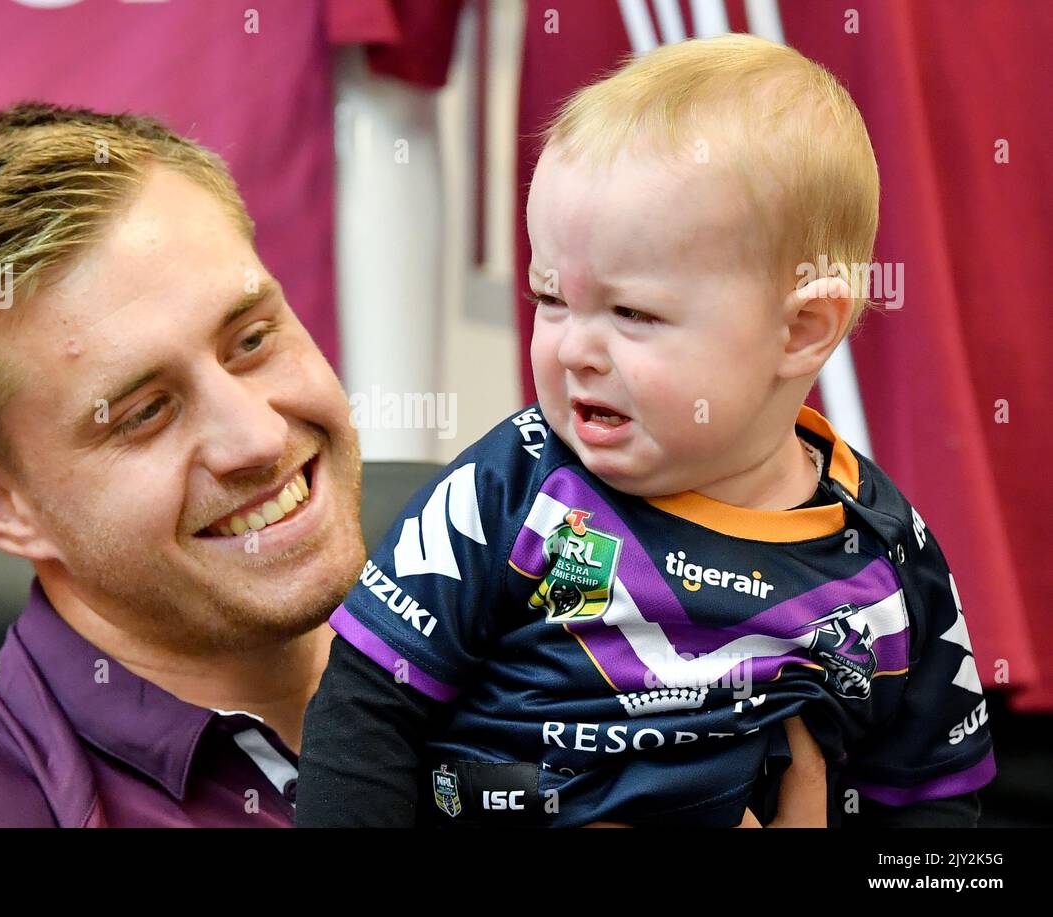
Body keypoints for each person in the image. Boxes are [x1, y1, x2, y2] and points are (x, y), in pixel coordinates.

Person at [296, 35, 994, 828]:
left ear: (801, 329)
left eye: (633, 313)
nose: (574, 350)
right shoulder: (508, 489)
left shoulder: (886, 554)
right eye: (550, 298)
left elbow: (936, 806)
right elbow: (364, 711)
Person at [0, 103, 366, 826]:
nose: (259, 438)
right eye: (145, 412)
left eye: (251, 340)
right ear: (0, 505)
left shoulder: (533, 651)